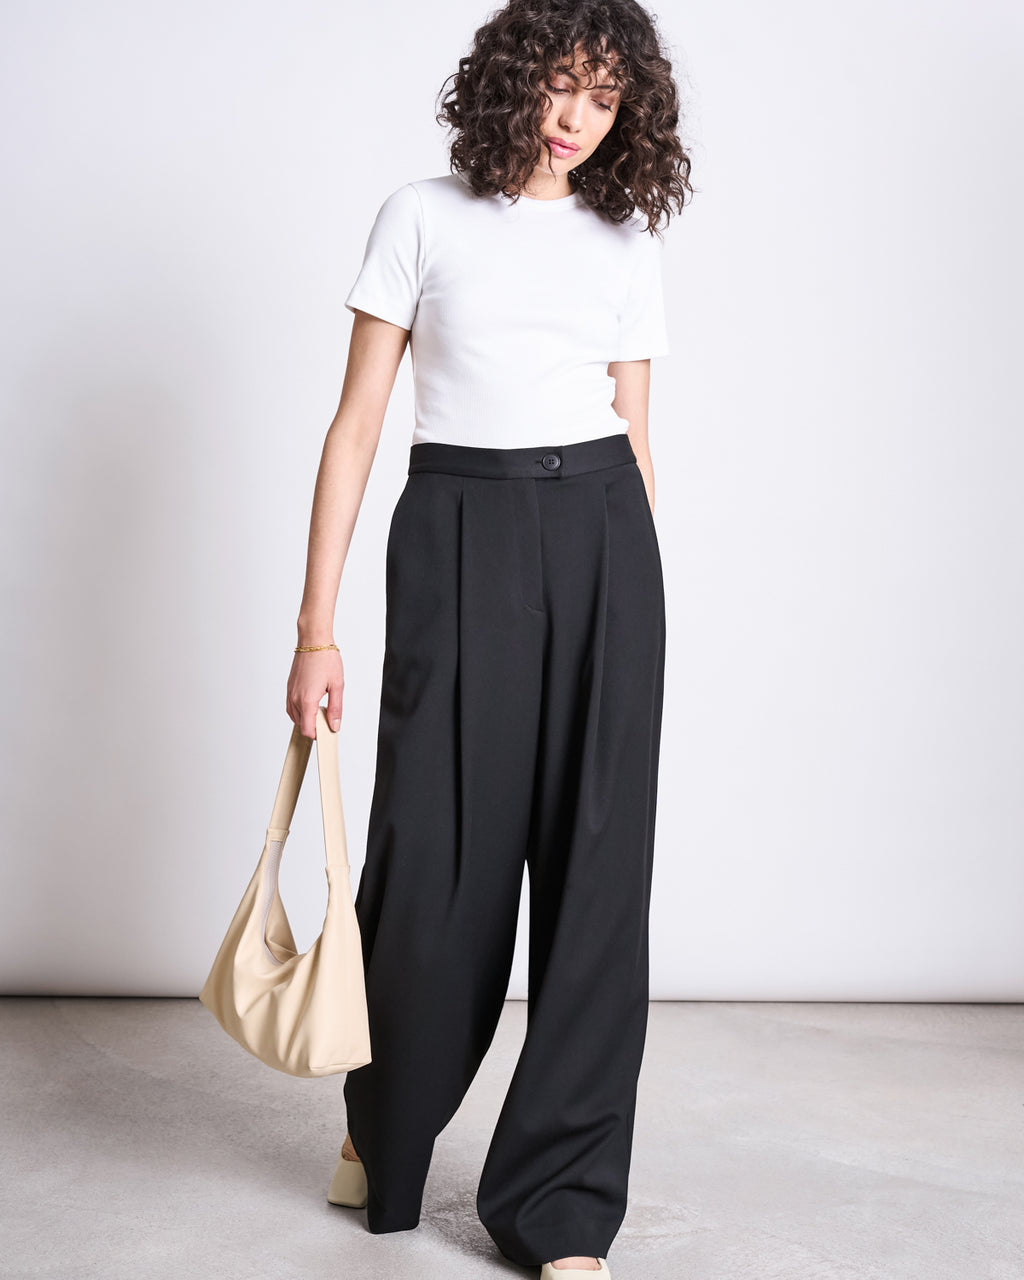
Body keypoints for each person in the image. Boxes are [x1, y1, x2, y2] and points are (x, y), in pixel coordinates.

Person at [286, 1, 692, 1274]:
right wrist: (315, 628)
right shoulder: (420, 214)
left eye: (605, 99)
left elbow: (633, 434)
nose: (576, 119)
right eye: (562, 85)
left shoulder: (626, 239)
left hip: (604, 537)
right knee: (434, 866)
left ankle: (561, 1202)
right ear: (516, 79)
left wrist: (627, 593)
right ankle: (382, 1125)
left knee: (598, 873)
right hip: (458, 525)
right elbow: (357, 427)